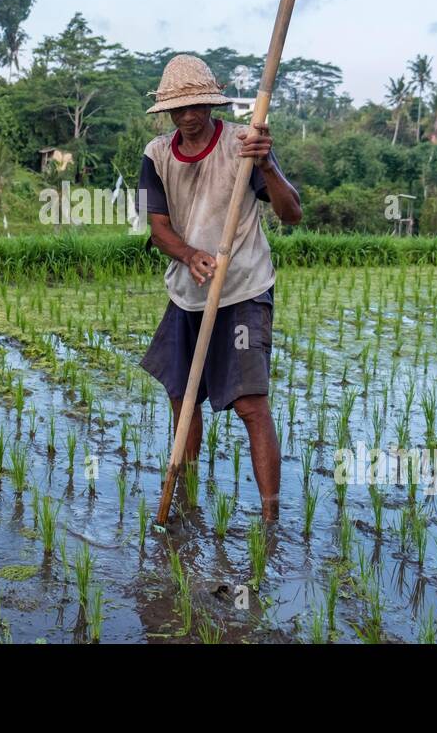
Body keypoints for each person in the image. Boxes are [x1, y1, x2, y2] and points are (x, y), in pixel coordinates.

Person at [138, 54, 302, 524]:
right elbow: (157, 229)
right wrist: (189, 255)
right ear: (168, 112)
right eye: (180, 108)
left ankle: (270, 520)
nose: (190, 115)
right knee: (182, 399)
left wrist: (267, 165)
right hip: (186, 291)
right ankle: (185, 503)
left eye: (198, 106)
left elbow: (292, 214)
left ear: (212, 104)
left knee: (251, 403)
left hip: (244, 288)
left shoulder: (243, 145)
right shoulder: (157, 155)